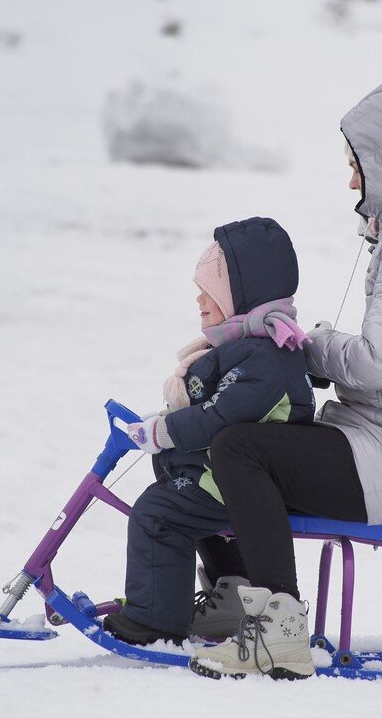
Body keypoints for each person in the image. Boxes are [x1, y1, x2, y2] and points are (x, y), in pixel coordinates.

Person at [187, 70, 382, 680]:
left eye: (359, 164)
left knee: (239, 447)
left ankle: (277, 628)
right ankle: (235, 607)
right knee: (233, 436)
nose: (351, 179)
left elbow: (381, 359)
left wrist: (310, 347)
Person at [101, 217, 316, 646]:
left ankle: (156, 620)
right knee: (175, 504)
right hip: (222, 477)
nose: (199, 299)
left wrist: (163, 432)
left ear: (239, 294)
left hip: (247, 484)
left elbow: (221, 417)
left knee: (158, 515)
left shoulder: (267, 355)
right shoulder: (246, 346)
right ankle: (231, 590)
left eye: (210, 291)